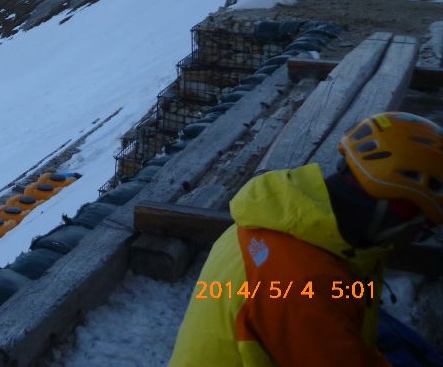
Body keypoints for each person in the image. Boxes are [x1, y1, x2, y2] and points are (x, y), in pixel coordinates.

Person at [169, 112, 443, 365]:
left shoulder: (280, 215)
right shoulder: (306, 286)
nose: (418, 237)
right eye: (424, 228)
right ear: (394, 213)